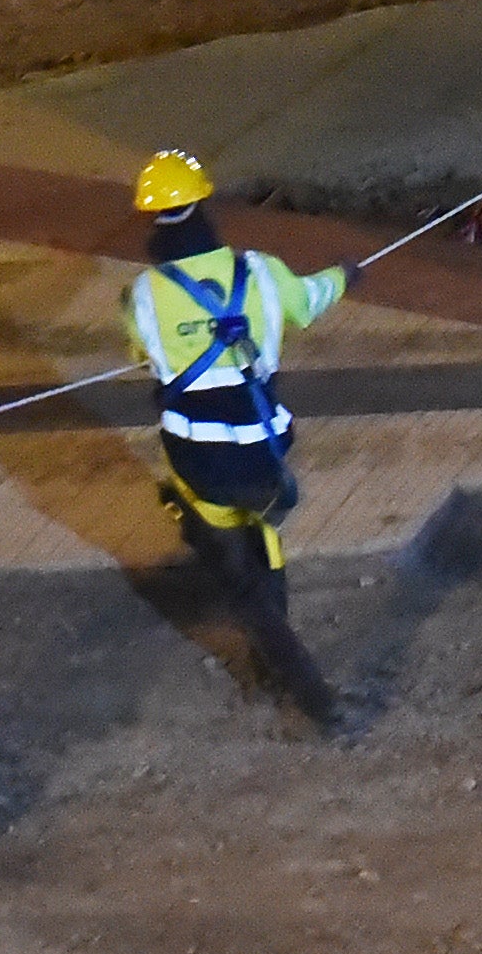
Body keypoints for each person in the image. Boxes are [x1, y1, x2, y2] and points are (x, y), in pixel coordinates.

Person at [125, 148, 344, 722]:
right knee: (266, 532)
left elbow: (142, 352)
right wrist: (345, 276)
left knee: (217, 526)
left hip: (196, 457)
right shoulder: (262, 272)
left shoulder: (142, 295)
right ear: (205, 205)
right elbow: (309, 302)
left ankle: (257, 645)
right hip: (263, 450)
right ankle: (276, 633)